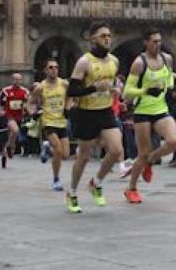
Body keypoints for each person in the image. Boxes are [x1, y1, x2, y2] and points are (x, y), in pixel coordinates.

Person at [65, 22, 121, 214]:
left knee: (116, 150)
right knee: (84, 156)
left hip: (105, 110)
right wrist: (94, 88)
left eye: (109, 35)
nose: (107, 38)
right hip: (86, 113)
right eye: (103, 35)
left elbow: (109, 85)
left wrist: (114, 90)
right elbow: (72, 90)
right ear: (93, 39)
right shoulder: (84, 62)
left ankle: (95, 182)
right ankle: (72, 192)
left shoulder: (114, 61)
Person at [123, 28, 176, 203]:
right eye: (154, 41)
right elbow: (127, 92)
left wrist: (170, 87)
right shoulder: (139, 63)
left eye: (159, 41)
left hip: (161, 109)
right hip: (142, 112)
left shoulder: (167, 59)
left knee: (174, 142)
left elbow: (169, 78)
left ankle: (150, 161)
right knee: (143, 152)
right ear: (146, 43)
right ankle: (131, 189)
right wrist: (146, 90)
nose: (158, 44)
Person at [0, 73, 29, 168]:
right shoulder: (6, 90)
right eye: (15, 79)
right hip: (9, 116)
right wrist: (0, 110)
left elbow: (28, 102)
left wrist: (26, 108)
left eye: (19, 79)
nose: (17, 81)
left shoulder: (25, 91)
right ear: (12, 80)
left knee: (11, 136)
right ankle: (10, 148)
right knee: (15, 131)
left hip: (19, 117)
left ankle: (6, 154)